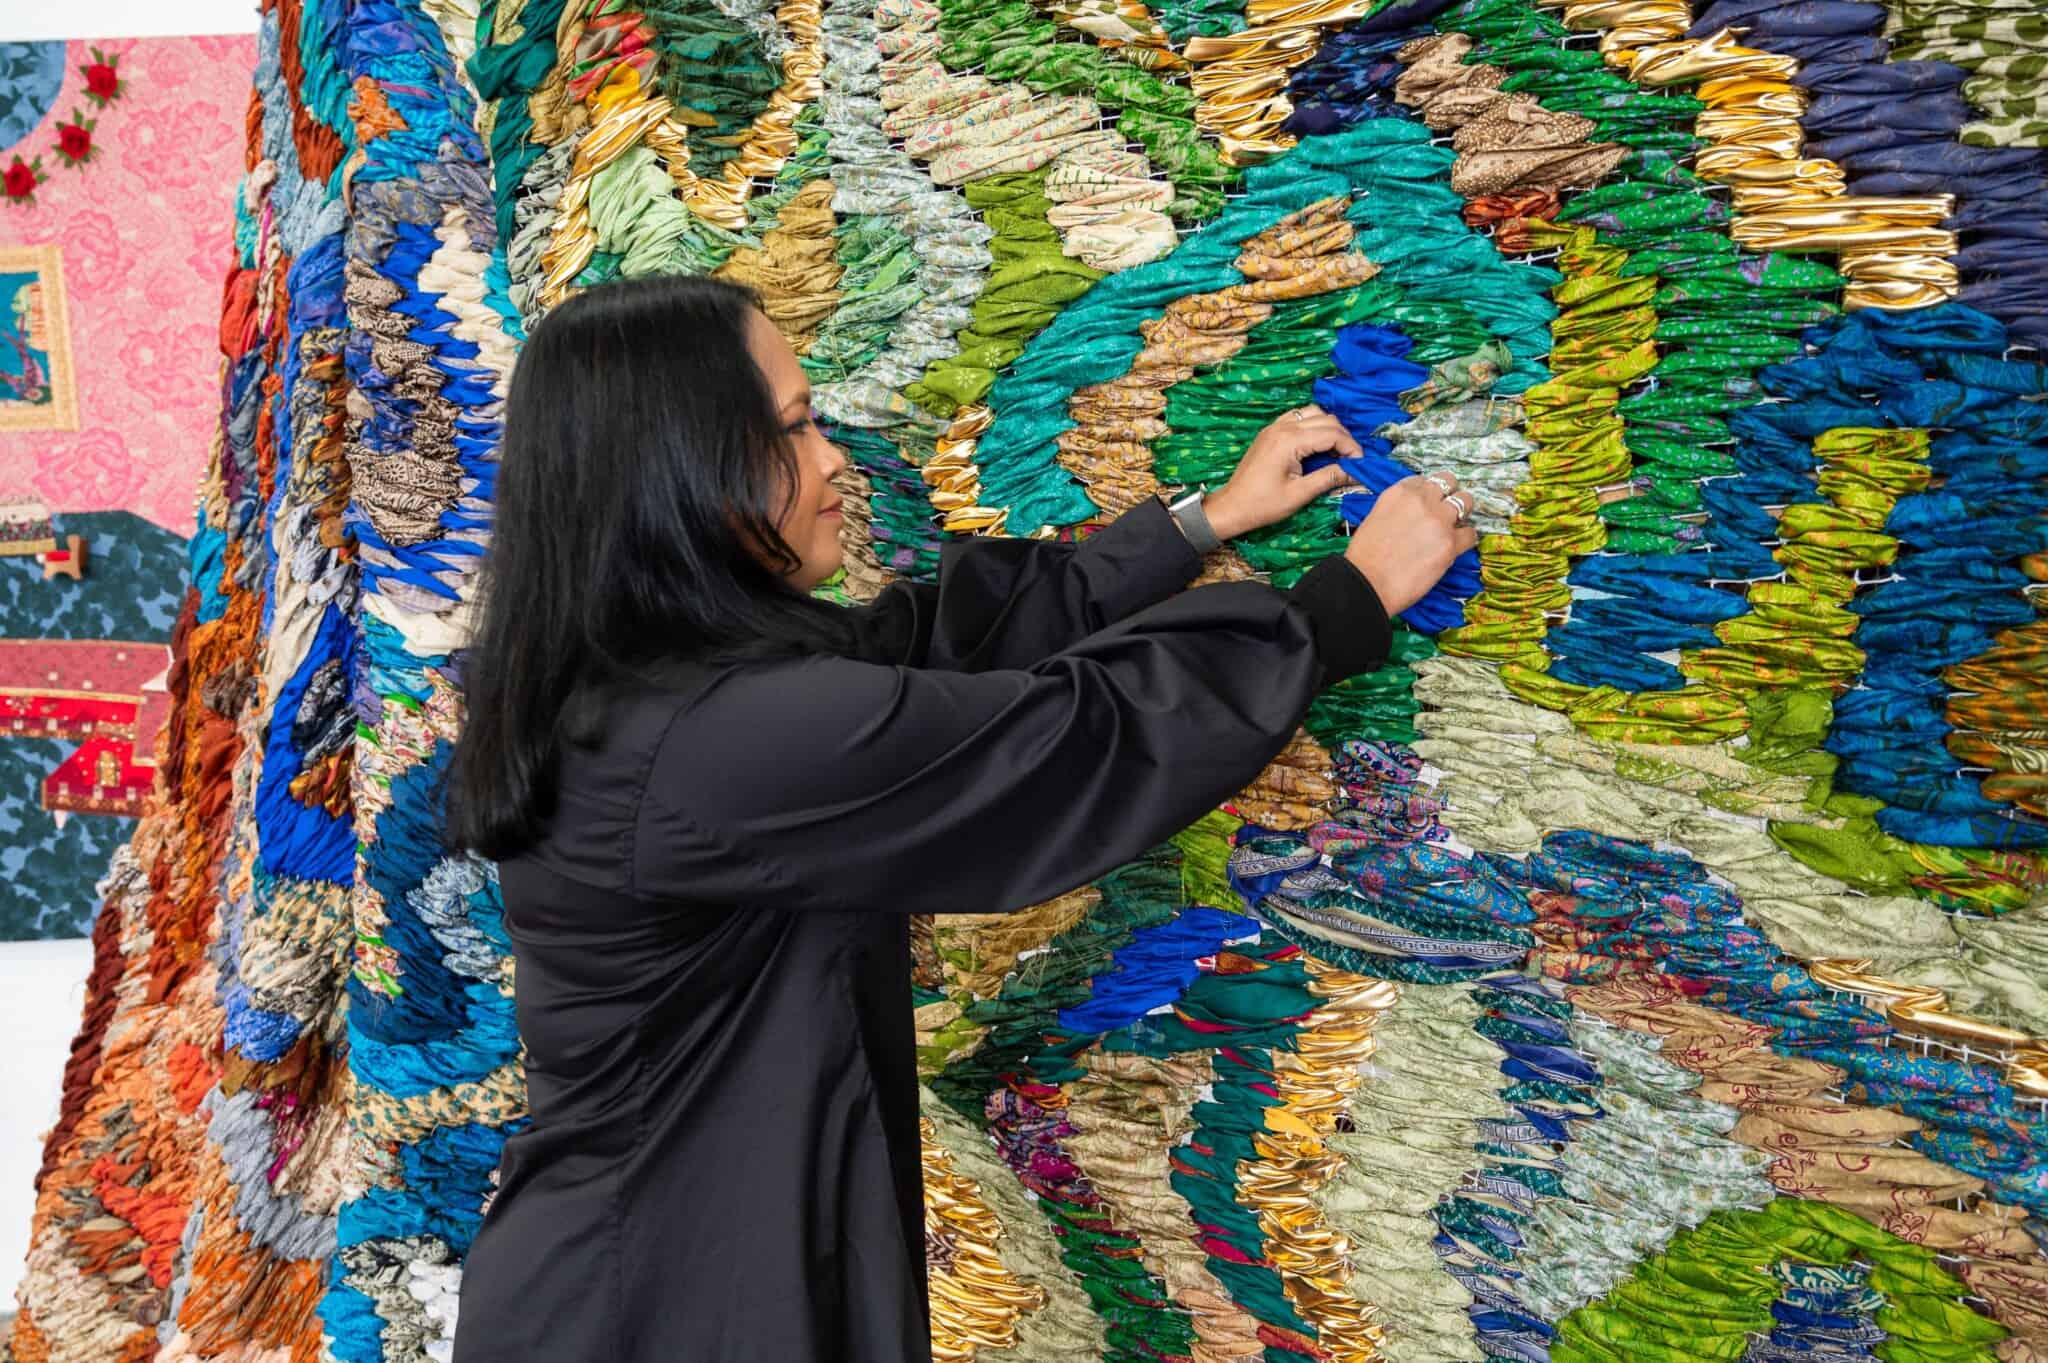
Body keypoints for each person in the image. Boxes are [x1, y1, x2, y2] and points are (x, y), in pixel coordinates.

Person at [446, 276, 1478, 1363]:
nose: (833, 459)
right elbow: (1065, 740)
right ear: (685, 469)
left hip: (658, 1273)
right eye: (796, 427)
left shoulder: (650, 683)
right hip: (649, 1311)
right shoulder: (711, 741)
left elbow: (921, 650)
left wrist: (1198, 524)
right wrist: (1340, 603)